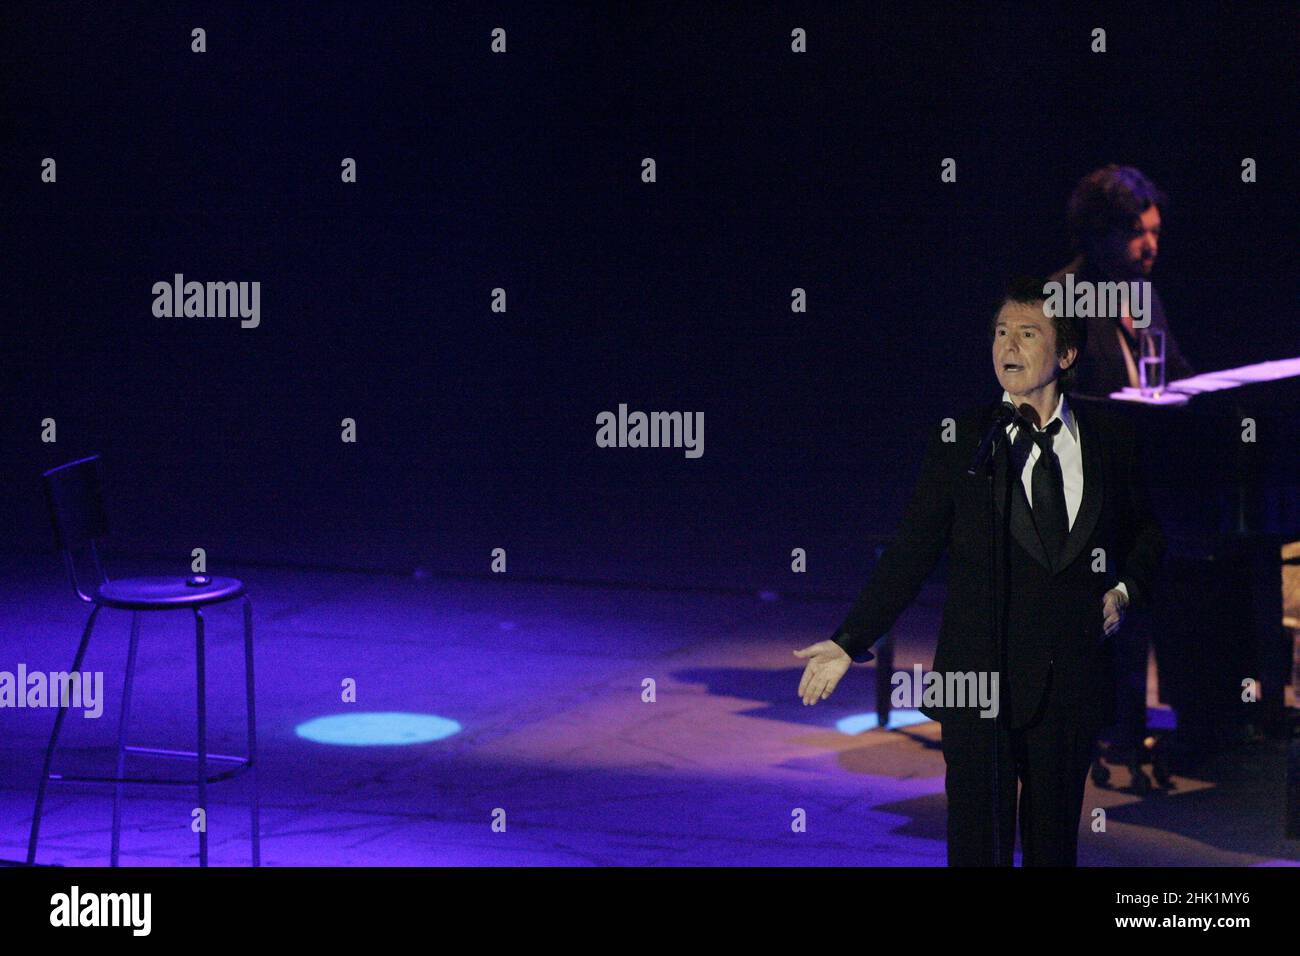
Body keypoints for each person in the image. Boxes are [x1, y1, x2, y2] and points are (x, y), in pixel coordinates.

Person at [794, 278, 1165, 866]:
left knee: (1053, 851)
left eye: (1026, 333)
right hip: (978, 686)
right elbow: (913, 548)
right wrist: (850, 641)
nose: (1007, 347)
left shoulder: (1110, 438)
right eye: (999, 333)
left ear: (1065, 355)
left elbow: (1146, 531)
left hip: (1067, 683)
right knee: (976, 850)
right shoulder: (965, 441)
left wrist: (1124, 590)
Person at [1049, 164, 1193, 396]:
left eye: (1155, 231)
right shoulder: (1062, 297)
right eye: (1137, 232)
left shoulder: (1143, 290)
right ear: (1098, 232)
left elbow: (1176, 373)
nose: (1152, 247)